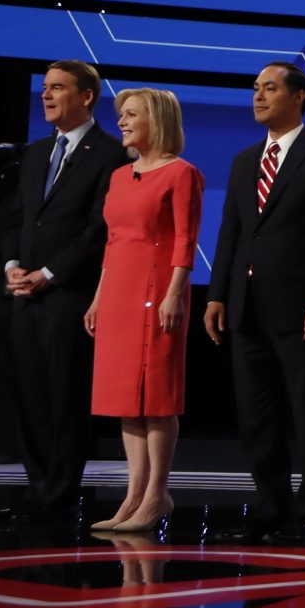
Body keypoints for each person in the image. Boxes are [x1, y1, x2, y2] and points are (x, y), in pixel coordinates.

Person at [203, 62, 305, 544]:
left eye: (269, 88)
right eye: (255, 89)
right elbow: (230, 233)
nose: (258, 97)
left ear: (299, 98)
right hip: (245, 309)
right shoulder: (244, 160)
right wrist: (217, 294)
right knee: (257, 417)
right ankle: (271, 508)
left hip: (300, 311)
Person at [0, 59, 128, 528]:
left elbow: (98, 229)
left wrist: (49, 272)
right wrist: (13, 266)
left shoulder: (110, 154)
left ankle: (61, 494)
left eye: (57, 88)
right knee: (28, 394)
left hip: (69, 294)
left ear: (86, 96)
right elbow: (16, 219)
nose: (46, 96)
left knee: (63, 397)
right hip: (23, 294)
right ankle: (36, 491)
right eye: (44, 88)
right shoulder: (33, 153)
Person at [86, 87, 205, 533]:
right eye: (121, 115)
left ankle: (157, 494)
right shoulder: (120, 176)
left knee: (156, 397)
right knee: (126, 401)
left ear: (154, 120)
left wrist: (175, 292)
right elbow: (113, 243)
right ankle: (133, 495)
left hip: (157, 293)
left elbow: (184, 241)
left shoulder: (181, 174)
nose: (121, 122)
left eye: (130, 114)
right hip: (117, 291)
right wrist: (100, 295)